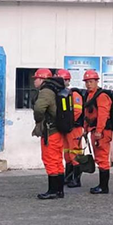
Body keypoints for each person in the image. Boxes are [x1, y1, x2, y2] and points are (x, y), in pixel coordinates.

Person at [32, 68, 66, 200]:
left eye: (36, 79)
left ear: (42, 79)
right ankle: (59, 190)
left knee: (50, 159)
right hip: (58, 130)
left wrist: (38, 120)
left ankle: (53, 190)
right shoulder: (56, 89)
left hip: (50, 131)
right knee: (57, 160)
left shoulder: (46, 91)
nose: (34, 81)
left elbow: (39, 108)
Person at [82, 69, 112, 194]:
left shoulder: (101, 96)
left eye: (91, 81)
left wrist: (99, 131)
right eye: (87, 82)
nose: (88, 84)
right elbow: (87, 115)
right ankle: (102, 185)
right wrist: (85, 129)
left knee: (102, 158)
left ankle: (104, 187)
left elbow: (103, 115)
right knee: (99, 158)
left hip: (102, 132)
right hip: (94, 130)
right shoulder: (90, 95)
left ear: (96, 81)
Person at [56, 69, 84, 188]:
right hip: (67, 128)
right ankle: (68, 177)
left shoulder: (74, 94)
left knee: (75, 152)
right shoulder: (62, 94)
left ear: (68, 81)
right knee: (67, 153)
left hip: (74, 128)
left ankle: (76, 179)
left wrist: (68, 123)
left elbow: (77, 111)